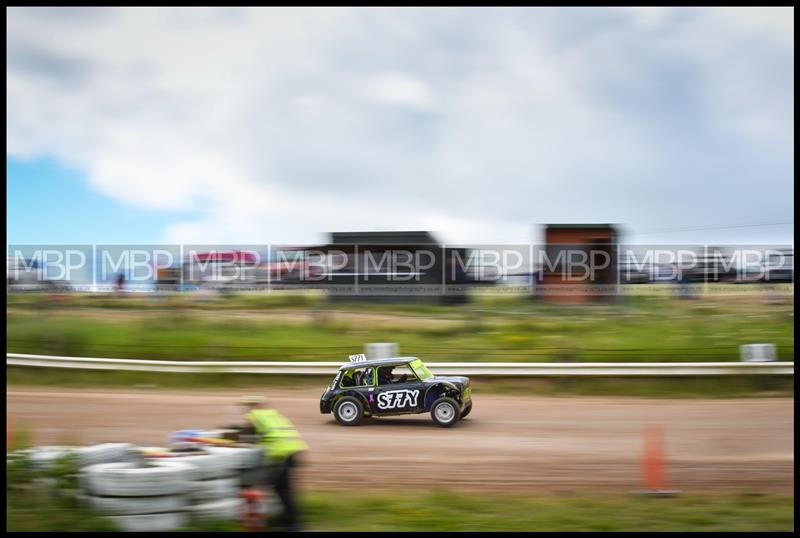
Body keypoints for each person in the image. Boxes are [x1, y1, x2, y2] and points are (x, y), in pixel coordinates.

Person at [239, 396, 308, 531]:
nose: (245, 409)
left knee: (282, 490)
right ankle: (286, 519)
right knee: (281, 489)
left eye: (247, 406)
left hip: (281, 453)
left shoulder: (253, 416)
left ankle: (293, 524)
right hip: (294, 450)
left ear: (253, 405)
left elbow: (248, 439)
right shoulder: (274, 414)